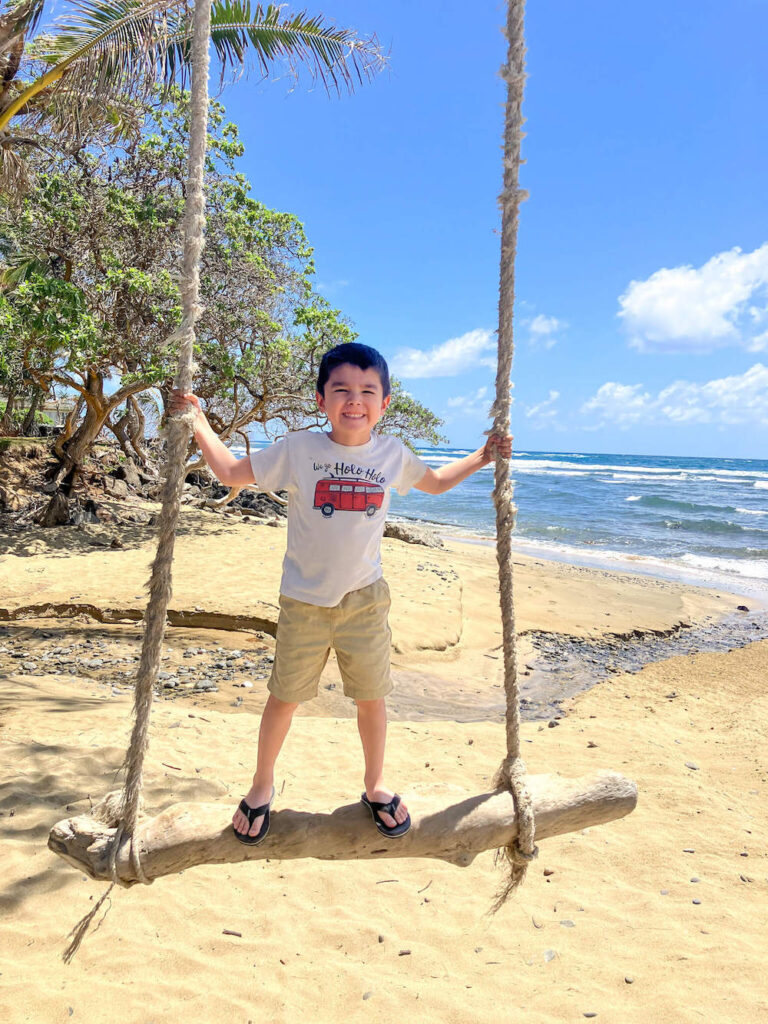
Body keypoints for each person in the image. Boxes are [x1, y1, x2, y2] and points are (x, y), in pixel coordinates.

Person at [171, 342, 512, 845]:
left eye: (368, 390)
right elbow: (229, 474)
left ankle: (375, 786)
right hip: (304, 602)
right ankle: (261, 785)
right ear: (320, 399)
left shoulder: (391, 455)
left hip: (365, 601)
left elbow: (436, 482)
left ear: (386, 402)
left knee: (371, 698)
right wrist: (198, 422)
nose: (355, 400)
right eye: (342, 390)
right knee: (284, 698)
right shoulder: (298, 450)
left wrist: (484, 456)